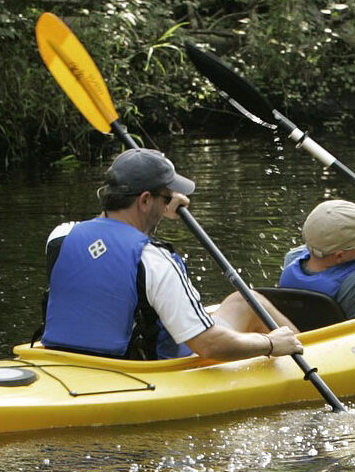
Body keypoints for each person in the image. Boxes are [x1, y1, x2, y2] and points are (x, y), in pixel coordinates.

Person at [41, 148, 302, 361]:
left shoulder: (61, 237)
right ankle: (303, 351)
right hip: (149, 371)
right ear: (144, 200)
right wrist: (269, 344)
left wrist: (159, 207)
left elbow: (109, 244)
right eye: (165, 198)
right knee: (251, 302)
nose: (168, 204)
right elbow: (210, 345)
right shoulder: (154, 260)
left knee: (242, 301)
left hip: (70, 363)